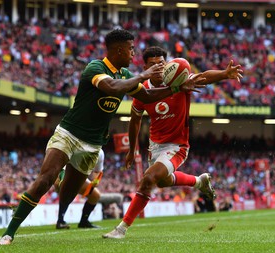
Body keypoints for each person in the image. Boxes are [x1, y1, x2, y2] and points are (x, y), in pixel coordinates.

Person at [0, 29, 207, 245]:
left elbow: (147, 95)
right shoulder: (96, 68)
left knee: (67, 194)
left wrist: (176, 87)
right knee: (45, 180)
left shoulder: (125, 75)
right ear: (119, 50)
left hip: (93, 145)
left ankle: (60, 199)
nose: (134, 53)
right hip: (69, 133)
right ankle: (9, 233)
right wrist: (143, 75)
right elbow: (111, 87)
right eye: (131, 49)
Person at [103, 46, 243, 239]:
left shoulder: (181, 81)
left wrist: (224, 74)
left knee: (149, 179)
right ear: (145, 67)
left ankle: (121, 229)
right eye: (153, 65)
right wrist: (131, 150)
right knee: (162, 181)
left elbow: (203, 76)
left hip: (177, 146)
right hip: (155, 146)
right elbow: (135, 120)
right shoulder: (143, 92)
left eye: (161, 63)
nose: (159, 68)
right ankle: (198, 181)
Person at [54, 149, 105, 229]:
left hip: (80, 177)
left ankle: (84, 222)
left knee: (95, 196)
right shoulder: (79, 146)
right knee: (69, 188)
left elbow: (97, 171)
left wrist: (96, 180)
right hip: (65, 172)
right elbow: (63, 163)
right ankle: (60, 221)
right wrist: (59, 177)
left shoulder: (100, 153)